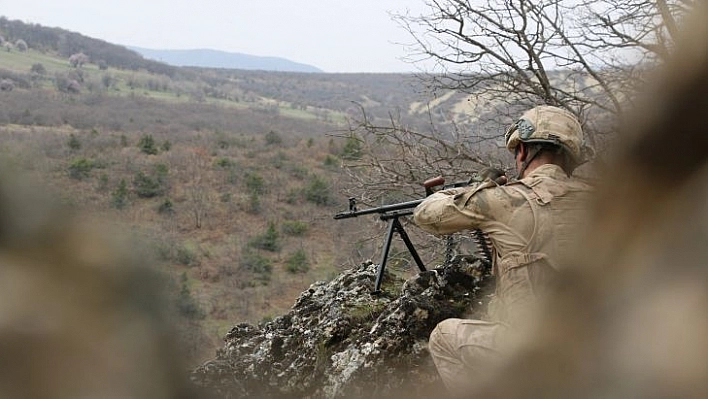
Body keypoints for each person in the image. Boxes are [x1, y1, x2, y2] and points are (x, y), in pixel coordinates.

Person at [413, 105, 593, 395]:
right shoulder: (608, 200)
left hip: (541, 355)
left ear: (521, 151)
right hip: (602, 350)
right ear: (572, 158)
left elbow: (425, 214)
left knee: (445, 337)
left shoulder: (506, 200)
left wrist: (476, 188)